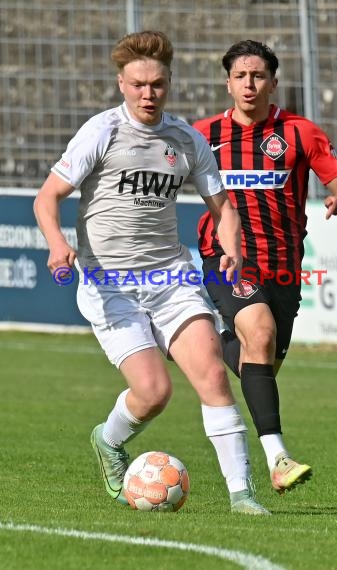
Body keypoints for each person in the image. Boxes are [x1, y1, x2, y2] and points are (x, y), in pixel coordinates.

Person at [33, 31, 271, 516]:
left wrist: (232, 250)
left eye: (157, 84)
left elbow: (224, 209)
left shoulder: (185, 139)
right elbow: (47, 197)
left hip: (171, 278)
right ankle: (108, 440)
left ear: (169, 83)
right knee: (154, 391)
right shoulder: (102, 133)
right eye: (139, 84)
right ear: (122, 83)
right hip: (111, 286)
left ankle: (243, 496)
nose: (148, 94)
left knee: (211, 376)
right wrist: (58, 243)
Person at [193, 39, 337, 494]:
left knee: (260, 358)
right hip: (226, 258)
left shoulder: (300, 132)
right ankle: (278, 458)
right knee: (261, 334)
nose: (250, 84)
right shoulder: (201, 135)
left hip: (285, 264)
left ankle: (196, 343)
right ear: (227, 83)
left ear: (273, 81)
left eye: (259, 76)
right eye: (241, 76)